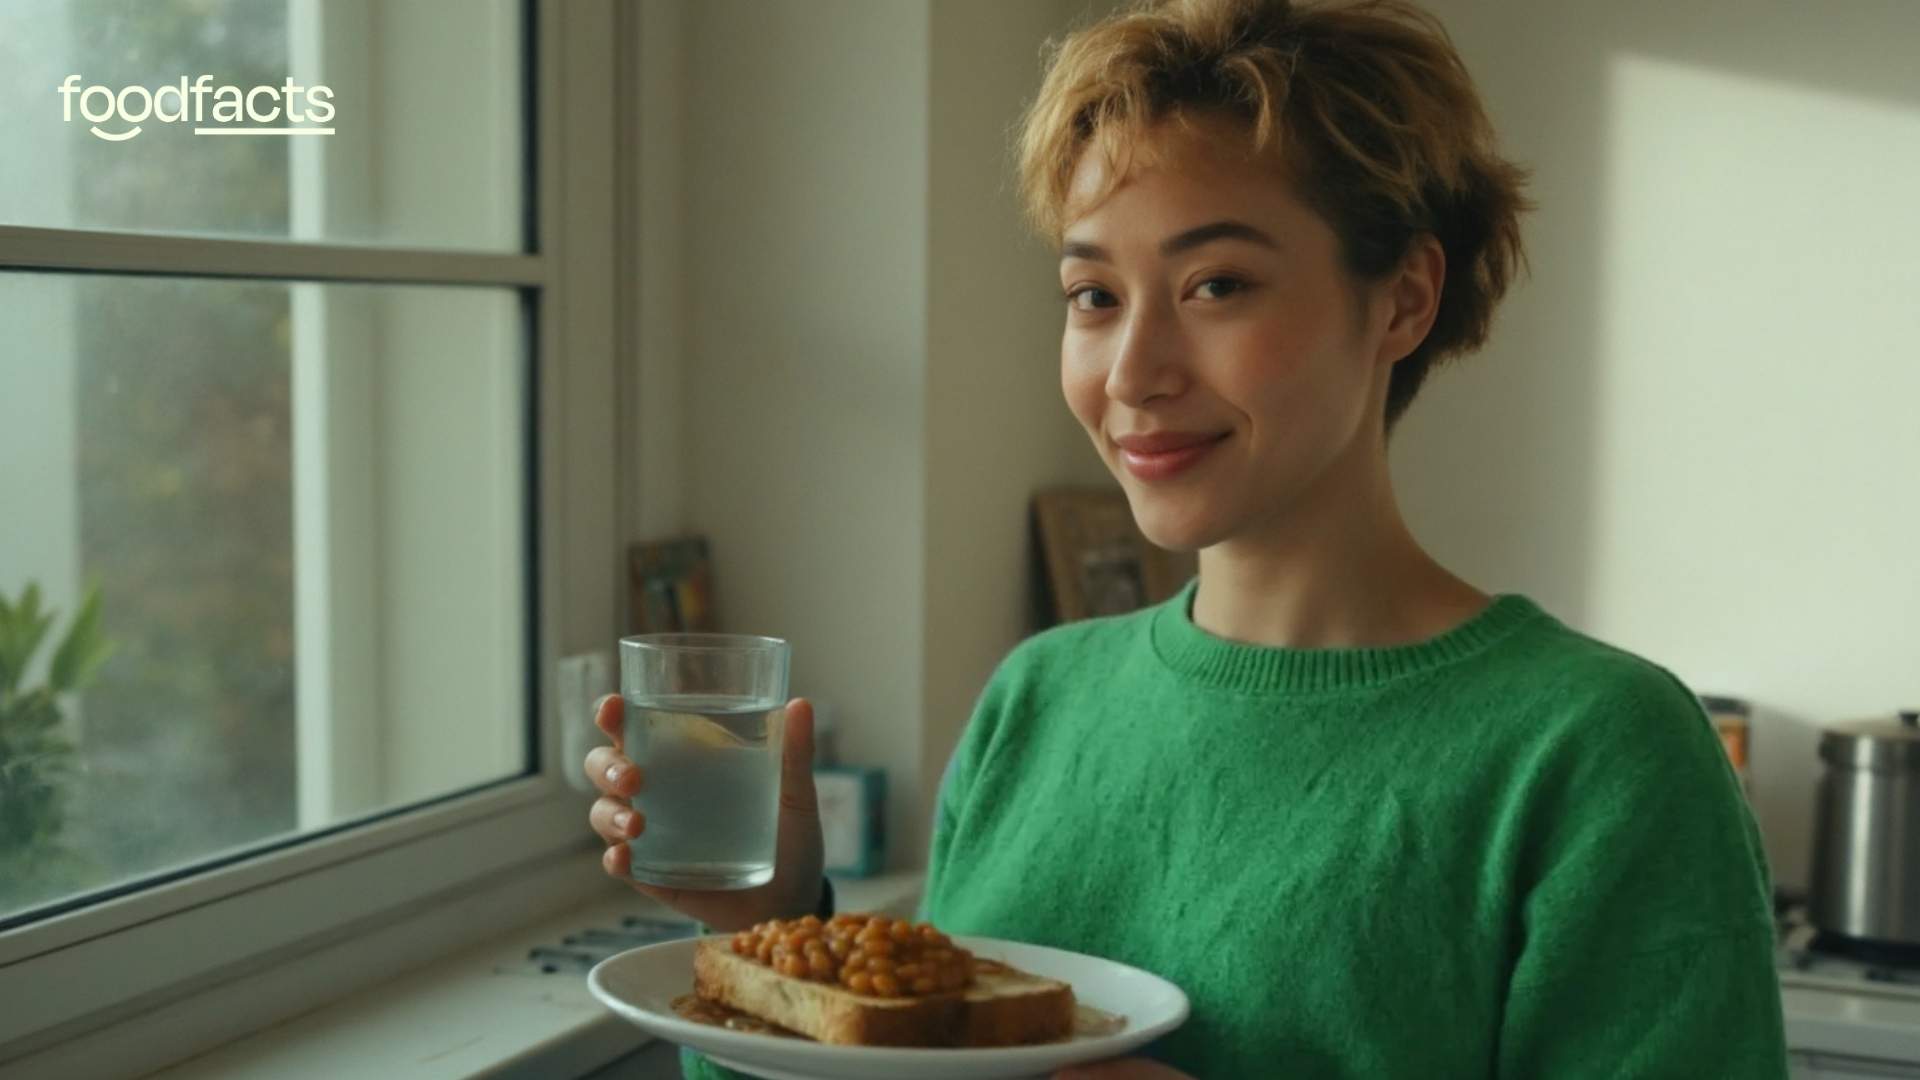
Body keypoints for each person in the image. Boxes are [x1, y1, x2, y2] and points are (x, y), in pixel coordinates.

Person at [585, 0, 1790, 1075]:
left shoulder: (1598, 755)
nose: (1134, 372)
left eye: (1216, 285)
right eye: (1094, 297)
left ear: (1405, 300)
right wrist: (769, 925)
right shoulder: (1035, 702)